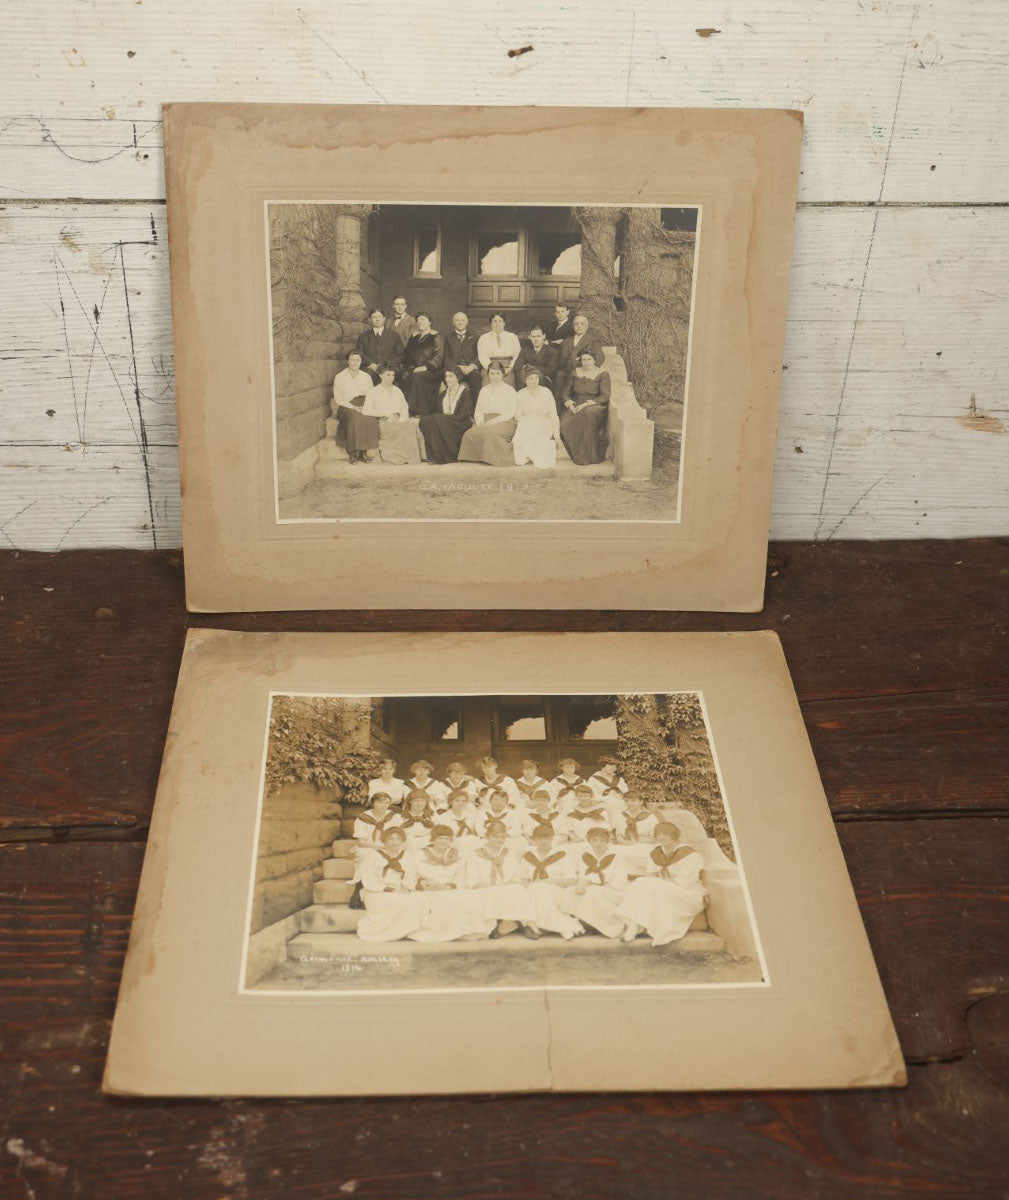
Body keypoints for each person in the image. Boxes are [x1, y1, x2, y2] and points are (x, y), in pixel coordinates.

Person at [616, 822, 707, 945]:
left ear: (674, 836)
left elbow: (686, 882)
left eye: (665, 834)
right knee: (641, 882)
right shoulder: (656, 853)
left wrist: (659, 885)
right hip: (665, 890)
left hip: (688, 895)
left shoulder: (689, 854)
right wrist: (657, 885)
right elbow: (650, 876)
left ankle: (634, 927)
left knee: (648, 885)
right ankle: (633, 926)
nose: (661, 837)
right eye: (658, 834)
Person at [409, 826, 484, 942]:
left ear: (451, 841)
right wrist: (422, 885)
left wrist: (447, 886)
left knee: (470, 896)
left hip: (448, 888)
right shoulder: (420, 855)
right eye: (440, 838)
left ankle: (464, 931)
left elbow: (461, 876)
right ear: (433, 839)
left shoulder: (456, 855)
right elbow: (410, 875)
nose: (443, 842)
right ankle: (441, 934)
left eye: (447, 839)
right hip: (428, 889)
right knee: (442, 900)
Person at [464, 820, 535, 938]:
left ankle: (524, 924)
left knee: (518, 890)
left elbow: (516, 875)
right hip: (486, 886)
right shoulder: (476, 854)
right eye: (495, 837)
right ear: (487, 837)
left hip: (505, 886)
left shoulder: (509, 854)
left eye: (502, 837)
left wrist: (512, 882)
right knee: (491, 892)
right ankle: (493, 925)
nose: (499, 840)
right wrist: (481, 884)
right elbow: (471, 877)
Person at [559, 826, 631, 939]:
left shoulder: (617, 856)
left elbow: (620, 880)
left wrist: (594, 884)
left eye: (602, 840)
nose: (598, 843)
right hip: (592, 886)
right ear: (589, 841)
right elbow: (583, 875)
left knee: (593, 894)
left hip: (613, 889)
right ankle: (577, 924)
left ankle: (611, 927)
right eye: (595, 840)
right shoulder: (585, 855)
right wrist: (581, 883)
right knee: (570, 892)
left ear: (607, 841)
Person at [355, 827, 426, 942]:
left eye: (398, 839)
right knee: (395, 901)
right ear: (384, 841)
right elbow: (370, 882)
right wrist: (392, 890)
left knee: (417, 899)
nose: (395, 842)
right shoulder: (373, 857)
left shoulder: (407, 856)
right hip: (377, 891)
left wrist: (411, 886)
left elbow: (411, 877)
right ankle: (386, 933)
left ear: (402, 841)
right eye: (391, 839)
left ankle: (406, 931)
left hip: (401, 889)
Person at [517, 826, 585, 939]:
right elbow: (524, 878)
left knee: (538, 888)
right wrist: (527, 891)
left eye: (547, 838)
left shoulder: (561, 855)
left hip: (557, 892)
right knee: (534, 890)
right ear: (534, 840)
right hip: (534, 893)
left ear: (552, 839)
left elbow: (572, 880)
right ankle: (565, 927)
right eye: (540, 839)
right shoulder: (528, 856)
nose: (543, 842)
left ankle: (542, 927)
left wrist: (547, 882)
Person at [458, 364, 518, 467]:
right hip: (485, 420)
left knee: (490, 435)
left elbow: (510, 412)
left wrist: (491, 422)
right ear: (488, 375)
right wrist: (480, 421)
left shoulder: (510, 390)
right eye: (492, 373)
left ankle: (495, 458)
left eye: (498, 373)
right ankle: (476, 457)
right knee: (469, 434)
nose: (495, 376)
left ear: (503, 374)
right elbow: (479, 409)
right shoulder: (484, 390)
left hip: (505, 421)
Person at [560, 349, 611, 466]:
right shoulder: (574, 372)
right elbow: (565, 393)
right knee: (564, 423)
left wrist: (587, 404)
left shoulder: (602, 373)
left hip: (595, 405)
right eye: (583, 359)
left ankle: (589, 456)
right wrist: (570, 404)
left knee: (587, 415)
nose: (586, 362)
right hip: (576, 404)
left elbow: (605, 396)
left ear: (594, 360)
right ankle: (577, 453)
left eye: (589, 359)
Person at [363, 367, 423, 465]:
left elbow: (404, 407)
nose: (391, 378)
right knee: (403, 428)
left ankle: (408, 457)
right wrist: (384, 414)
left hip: (397, 420)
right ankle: (396, 457)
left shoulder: (397, 390)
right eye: (388, 375)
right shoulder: (373, 391)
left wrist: (402, 419)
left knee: (410, 426)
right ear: (380, 375)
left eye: (392, 375)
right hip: (383, 421)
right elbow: (366, 410)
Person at [417, 366, 475, 464]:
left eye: (451, 376)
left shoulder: (465, 393)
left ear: (458, 377)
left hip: (460, 422)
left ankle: (446, 456)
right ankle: (435, 456)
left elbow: (463, 415)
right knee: (425, 421)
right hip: (445, 422)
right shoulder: (443, 394)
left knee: (437, 419)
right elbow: (438, 411)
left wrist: (443, 418)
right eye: (446, 376)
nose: (447, 379)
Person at [555, 313, 605, 412]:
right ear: (573, 326)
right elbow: (558, 357)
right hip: (565, 370)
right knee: (559, 375)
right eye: (576, 324)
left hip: (581, 371)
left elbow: (599, 357)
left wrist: (586, 368)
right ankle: (558, 409)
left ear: (587, 326)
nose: (579, 326)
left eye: (582, 324)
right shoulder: (567, 341)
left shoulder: (592, 340)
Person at [511, 367, 560, 469]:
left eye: (536, 378)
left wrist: (556, 435)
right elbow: (518, 414)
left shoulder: (546, 392)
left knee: (542, 453)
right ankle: (527, 455)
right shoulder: (520, 393)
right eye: (530, 378)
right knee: (522, 439)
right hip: (526, 422)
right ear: (525, 380)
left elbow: (553, 414)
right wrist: (525, 423)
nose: (534, 381)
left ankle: (538, 455)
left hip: (544, 422)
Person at [401, 313, 444, 418]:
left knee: (417, 377)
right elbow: (407, 355)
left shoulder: (436, 336)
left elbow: (439, 356)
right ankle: (405, 409)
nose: (420, 322)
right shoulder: (414, 337)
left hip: (432, 371)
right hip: (415, 370)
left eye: (423, 319)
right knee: (406, 376)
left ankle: (420, 410)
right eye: (418, 320)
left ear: (430, 322)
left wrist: (425, 367)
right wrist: (410, 367)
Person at [331, 350, 375, 452]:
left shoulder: (366, 376)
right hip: (346, 406)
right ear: (348, 361)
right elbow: (338, 398)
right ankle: (352, 452)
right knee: (355, 419)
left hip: (364, 404)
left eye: (358, 360)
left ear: (361, 362)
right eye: (352, 360)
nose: (355, 363)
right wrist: (354, 407)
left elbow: (371, 395)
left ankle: (364, 451)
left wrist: (366, 406)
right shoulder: (340, 376)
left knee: (370, 419)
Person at [355, 309, 403, 383]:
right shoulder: (363, 336)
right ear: (370, 320)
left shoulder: (394, 336)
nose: (377, 319)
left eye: (380, 317)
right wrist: (370, 363)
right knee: (366, 376)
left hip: (389, 368)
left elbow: (400, 355)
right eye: (374, 317)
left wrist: (387, 364)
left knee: (388, 376)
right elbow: (359, 353)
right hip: (370, 368)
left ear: (384, 319)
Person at [442, 311, 483, 397]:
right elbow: (446, 357)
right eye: (457, 320)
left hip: (470, 369)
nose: (460, 322)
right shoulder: (447, 338)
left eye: (463, 320)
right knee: (449, 376)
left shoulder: (475, 338)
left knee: (476, 376)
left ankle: (475, 407)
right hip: (454, 369)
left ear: (467, 322)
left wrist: (471, 366)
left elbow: (479, 356)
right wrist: (456, 367)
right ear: (453, 323)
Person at [512, 325, 559, 396]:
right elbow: (517, 367)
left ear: (543, 336)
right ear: (530, 337)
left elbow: (550, 370)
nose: (536, 339)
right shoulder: (525, 351)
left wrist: (529, 368)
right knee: (519, 375)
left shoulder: (552, 351)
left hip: (543, 379)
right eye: (533, 337)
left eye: (538, 336)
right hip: (526, 379)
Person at [476, 313, 521, 385]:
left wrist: (510, 368)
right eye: (494, 321)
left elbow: (517, 355)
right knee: (488, 380)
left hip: (508, 367)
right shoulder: (484, 338)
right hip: (490, 366)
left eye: (500, 321)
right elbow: (482, 356)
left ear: (504, 323)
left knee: (508, 383)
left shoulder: (512, 337)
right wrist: (491, 369)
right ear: (491, 324)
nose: (497, 324)